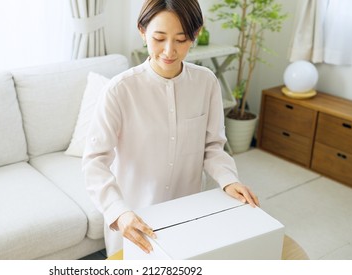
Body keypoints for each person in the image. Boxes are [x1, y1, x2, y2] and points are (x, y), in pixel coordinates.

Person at [82, 0, 259, 257]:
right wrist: (119, 212)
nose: (169, 51)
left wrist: (228, 179)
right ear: (142, 31)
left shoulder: (206, 83)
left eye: (181, 39)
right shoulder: (120, 90)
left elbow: (212, 147)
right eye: (159, 38)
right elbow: (95, 162)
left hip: (186, 214)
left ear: (195, 34)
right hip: (134, 218)